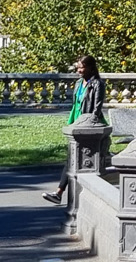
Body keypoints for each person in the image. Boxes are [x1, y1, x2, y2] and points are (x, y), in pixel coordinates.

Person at [43, 54, 105, 205]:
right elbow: (75, 105)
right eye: (78, 67)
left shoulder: (98, 84)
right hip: (76, 123)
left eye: (82, 67)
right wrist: (72, 123)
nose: (79, 70)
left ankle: (65, 193)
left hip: (89, 124)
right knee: (72, 158)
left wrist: (89, 123)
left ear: (91, 68)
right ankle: (59, 193)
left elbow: (97, 107)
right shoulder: (78, 83)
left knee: (85, 160)